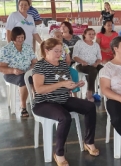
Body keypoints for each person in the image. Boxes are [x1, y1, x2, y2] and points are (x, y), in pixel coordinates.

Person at [32, 38, 98, 166]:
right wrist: (62, 83)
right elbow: (39, 89)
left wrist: (75, 85)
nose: (59, 54)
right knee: (65, 118)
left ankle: (89, 142)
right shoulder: (40, 66)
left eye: (60, 51)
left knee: (90, 107)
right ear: (46, 50)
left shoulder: (62, 64)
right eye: (56, 51)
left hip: (63, 99)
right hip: (44, 102)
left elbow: (65, 85)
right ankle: (59, 153)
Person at [0, 27, 37, 117]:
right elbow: (0, 68)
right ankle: (23, 106)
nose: (20, 39)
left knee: (37, 76)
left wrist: (31, 67)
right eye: (18, 37)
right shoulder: (6, 49)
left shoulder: (27, 47)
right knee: (23, 79)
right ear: (13, 37)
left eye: (22, 37)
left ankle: (36, 100)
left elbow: (35, 62)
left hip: (26, 72)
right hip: (11, 74)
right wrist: (13, 70)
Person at [73, 28, 103, 102]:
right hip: (81, 65)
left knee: (104, 69)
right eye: (89, 34)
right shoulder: (79, 43)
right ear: (84, 34)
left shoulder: (96, 45)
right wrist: (82, 61)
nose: (91, 35)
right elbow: (74, 56)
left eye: (93, 34)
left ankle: (105, 91)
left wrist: (96, 63)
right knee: (93, 71)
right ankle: (89, 92)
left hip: (93, 64)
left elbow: (99, 57)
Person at [50, 29, 80, 95]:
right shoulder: (49, 47)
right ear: (52, 37)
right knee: (61, 76)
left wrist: (65, 67)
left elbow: (68, 60)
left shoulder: (64, 46)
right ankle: (63, 94)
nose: (60, 37)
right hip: (52, 67)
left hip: (64, 66)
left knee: (74, 73)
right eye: (58, 36)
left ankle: (74, 94)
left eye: (61, 35)